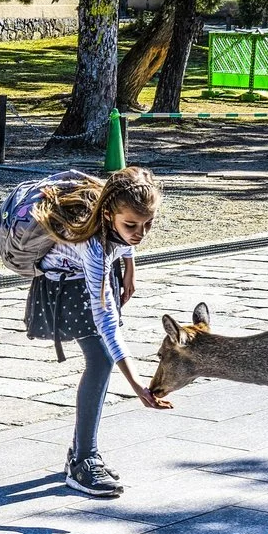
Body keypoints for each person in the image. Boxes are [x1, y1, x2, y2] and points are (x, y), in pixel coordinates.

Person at [21, 166, 171, 498]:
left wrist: (130, 264)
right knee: (103, 359)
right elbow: (107, 323)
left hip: (90, 278)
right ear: (108, 215)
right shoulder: (93, 247)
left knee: (102, 359)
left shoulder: (116, 224)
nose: (140, 233)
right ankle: (83, 460)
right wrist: (138, 386)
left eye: (148, 225)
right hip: (64, 289)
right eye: (131, 225)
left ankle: (81, 453)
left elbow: (125, 239)